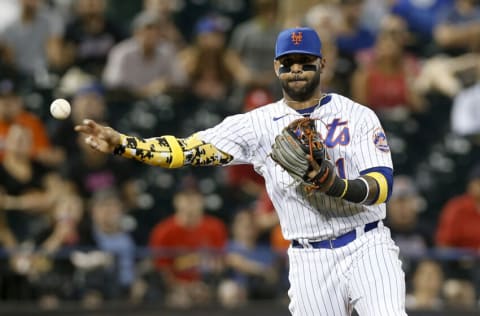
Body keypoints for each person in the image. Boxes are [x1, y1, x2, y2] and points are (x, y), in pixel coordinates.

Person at [75, 26, 407, 315]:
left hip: (366, 243)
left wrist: (333, 184)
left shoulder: (358, 116)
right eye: (288, 62)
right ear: (276, 67)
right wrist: (123, 144)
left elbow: (381, 185)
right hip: (310, 256)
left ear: (322, 63)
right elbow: (187, 151)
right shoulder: (257, 124)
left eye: (305, 61)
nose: (297, 69)